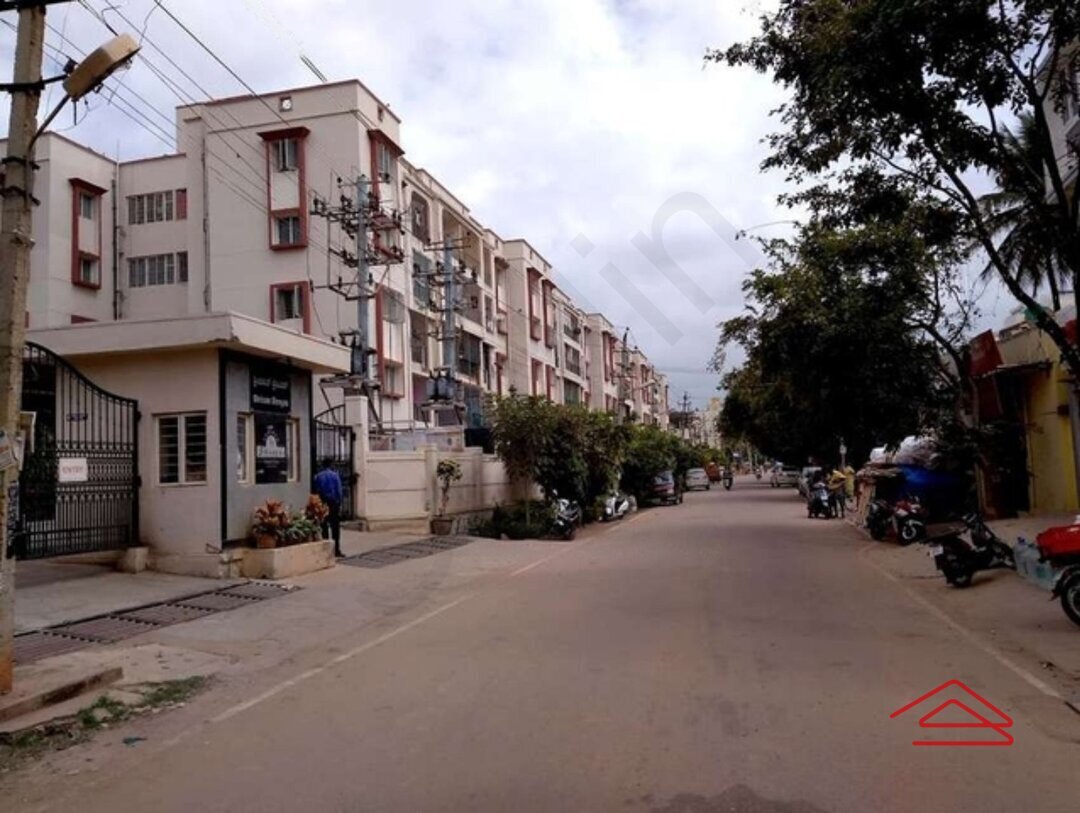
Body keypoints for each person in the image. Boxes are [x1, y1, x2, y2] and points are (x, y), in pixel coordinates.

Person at [313, 458, 344, 557]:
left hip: (323, 503)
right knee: (335, 527)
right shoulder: (335, 476)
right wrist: (339, 502)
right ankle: (336, 550)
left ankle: (326, 549)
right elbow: (339, 490)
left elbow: (316, 490)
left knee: (324, 526)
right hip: (334, 503)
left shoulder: (318, 476)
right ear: (331, 465)